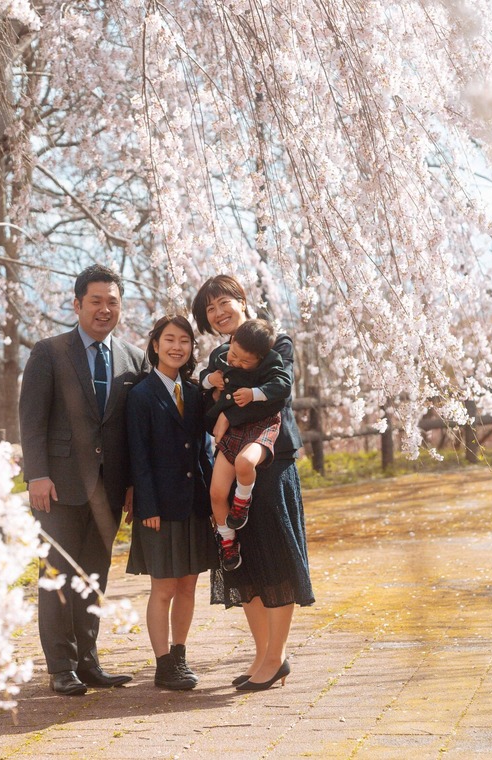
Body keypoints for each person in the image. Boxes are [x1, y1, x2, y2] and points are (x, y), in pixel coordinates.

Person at [19, 265, 150, 696]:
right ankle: (61, 666)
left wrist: (132, 484)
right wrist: (37, 474)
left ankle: (88, 662)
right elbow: (31, 419)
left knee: (94, 577)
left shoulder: (134, 358)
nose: (104, 309)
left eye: (113, 302)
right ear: (77, 304)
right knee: (56, 577)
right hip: (57, 487)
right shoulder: (49, 352)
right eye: (96, 301)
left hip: (108, 491)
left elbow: (134, 430)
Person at [192, 274, 315, 692]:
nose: (218, 313)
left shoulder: (276, 343)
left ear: (242, 301)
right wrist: (216, 404)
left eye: (224, 302)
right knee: (245, 563)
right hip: (231, 459)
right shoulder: (218, 358)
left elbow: (278, 396)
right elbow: (207, 411)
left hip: (271, 460)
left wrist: (229, 413)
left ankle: (276, 657)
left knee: (275, 556)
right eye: (210, 309)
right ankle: (263, 655)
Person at [125, 315, 216, 690]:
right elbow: (138, 456)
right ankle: (163, 664)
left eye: (184, 341)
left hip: (194, 504)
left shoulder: (194, 394)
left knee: (188, 587)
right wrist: (147, 507)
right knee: (163, 589)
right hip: (159, 509)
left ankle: (180, 655)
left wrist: (214, 501)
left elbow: (205, 451)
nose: (177, 347)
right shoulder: (140, 395)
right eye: (169, 340)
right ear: (155, 345)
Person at [200, 318, 291, 571]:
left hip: (261, 426)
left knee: (244, 462)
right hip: (232, 431)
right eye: (234, 354)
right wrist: (211, 380)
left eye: (245, 361)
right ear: (232, 341)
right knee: (216, 493)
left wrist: (255, 393)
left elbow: (283, 385)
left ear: (261, 358)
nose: (236, 362)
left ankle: (242, 503)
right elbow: (202, 379)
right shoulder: (220, 355)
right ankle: (228, 542)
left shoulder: (272, 360)